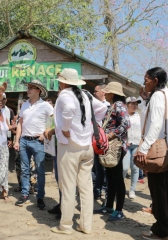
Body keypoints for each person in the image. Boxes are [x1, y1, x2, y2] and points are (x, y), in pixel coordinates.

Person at [50, 69, 107, 235]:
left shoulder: (64, 95)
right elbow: (102, 108)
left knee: (67, 186)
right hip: (86, 146)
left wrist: (67, 129)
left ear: (64, 82)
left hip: (70, 146)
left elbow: (68, 110)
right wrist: (87, 127)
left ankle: (66, 226)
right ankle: (85, 225)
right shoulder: (86, 95)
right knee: (86, 187)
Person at [136, 67, 168, 240]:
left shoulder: (158, 96)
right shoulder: (167, 95)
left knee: (158, 192)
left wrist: (143, 148)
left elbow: (155, 124)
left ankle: (161, 231)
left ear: (155, 80)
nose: (144, 82)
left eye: (146, 79)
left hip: (158, 149)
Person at [14, 80, 53, 209]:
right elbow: (20, 123)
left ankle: (40, 197)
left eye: (31, 88)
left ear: (38, 91)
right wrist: (17, 140)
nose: (28, 89)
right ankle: (25, 194)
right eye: (28, 87)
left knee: (40, 171)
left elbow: (54, 120)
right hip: (24, 140)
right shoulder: (24, 105)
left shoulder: (46, 106)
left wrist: (45, 134)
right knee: (25, 170)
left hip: (38, 141)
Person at [94, 82, 130, 221]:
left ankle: (119, 210)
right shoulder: (112, 106)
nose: (104, 93)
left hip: (116, 147)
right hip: (109, 147)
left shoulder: (119, 105)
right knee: (110, 178)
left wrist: (111, 135)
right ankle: (109, 206)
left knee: (117, 179)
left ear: (112, 93)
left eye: (106, 91)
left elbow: (126, 123)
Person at [93, 82, 109, 200]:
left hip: (106, 141)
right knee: (97, 167)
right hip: (95, 140)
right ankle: (97, 190)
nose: (94, 93)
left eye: (96, 91)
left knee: (105, 167)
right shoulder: (92, 106)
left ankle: (105, 189)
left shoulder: (109, 106)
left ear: (103, 92)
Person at [123, 97, 141, 199]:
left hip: (136, 145)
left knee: (135, 168)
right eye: (132, 104)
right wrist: (124, 141)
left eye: (136, 104)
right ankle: (120, 188)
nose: (135, 106)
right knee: (124, 168)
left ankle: (132, 190)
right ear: (127, 105)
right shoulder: (124, 116)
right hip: (126, 145)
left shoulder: (139, 116)